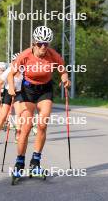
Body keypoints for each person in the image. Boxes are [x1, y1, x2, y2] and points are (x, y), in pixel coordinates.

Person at [8, 26, 71, 178]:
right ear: (34, 42)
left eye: (46, 44)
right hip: (28, 90)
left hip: (45, 90)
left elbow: (62, 70)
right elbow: (11, 74)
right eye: (40, 43)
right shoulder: (25, 55)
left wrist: (65, 80)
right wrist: (11, 88)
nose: (43, 46)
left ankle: (35, 162)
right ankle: (20, 162)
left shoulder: (53, 55)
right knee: (26, 127)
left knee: (42, 124)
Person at [0, 54, 23, 144]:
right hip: (8, 92)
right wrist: (0, 95)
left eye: (17, 61)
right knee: (3, 114)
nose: (15, 63)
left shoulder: (23, 70)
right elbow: (0, 83)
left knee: (19, 113)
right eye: (13, 61)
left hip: (19, 93)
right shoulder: (8, 70)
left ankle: (18, 132)